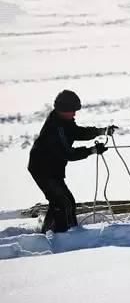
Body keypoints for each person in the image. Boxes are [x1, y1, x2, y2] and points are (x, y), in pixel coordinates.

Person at [28, 90, 118, 233]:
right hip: (43, 170)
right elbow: (68, 154)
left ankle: (47, 231)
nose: (75, 114)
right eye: (72, 110)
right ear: (62, 109)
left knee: (60, 201)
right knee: (65, 203)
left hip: (52, 169)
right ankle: (66, 235)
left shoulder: (63, 120)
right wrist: (92, 150)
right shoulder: (56, 129)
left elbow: (77, 132)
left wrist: (101, 131)